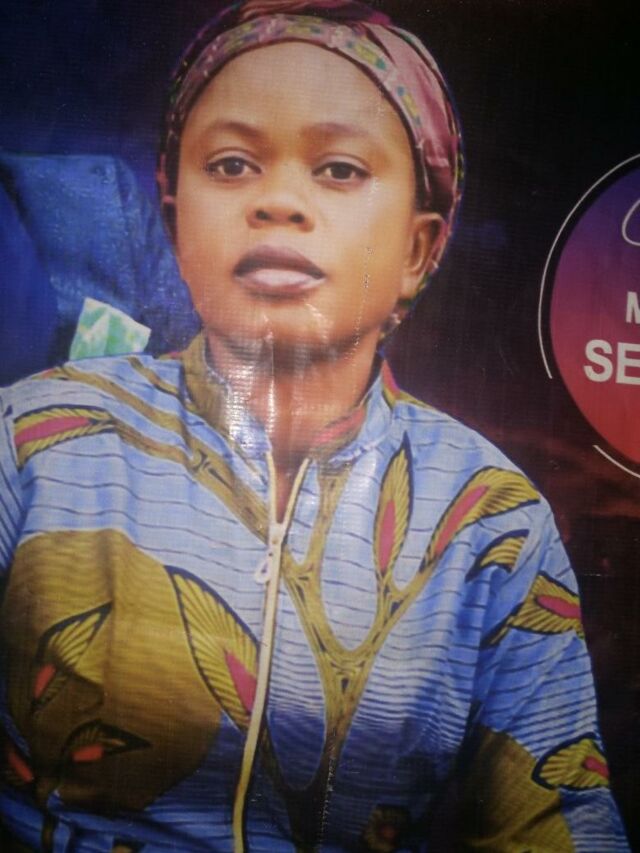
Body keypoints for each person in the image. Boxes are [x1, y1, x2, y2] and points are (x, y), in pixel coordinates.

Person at [0, 1, 629, 850]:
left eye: (338, 169)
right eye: (232, 164)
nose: (279, 201)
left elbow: (560, 823)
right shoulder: (36, 443)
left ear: (420, 248)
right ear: (175, 218)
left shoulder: (489, 518)